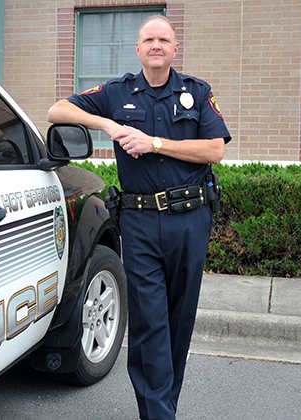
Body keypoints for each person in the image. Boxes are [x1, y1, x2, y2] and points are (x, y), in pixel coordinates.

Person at [47, 15, 231, 420]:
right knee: (150, 325)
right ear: (138, 48)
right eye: (149, 39)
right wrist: (109, 124)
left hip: (190, 219)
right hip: (141, 222)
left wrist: (156, 143)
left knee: (178, 323)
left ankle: (165, 406)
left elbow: (215, 150)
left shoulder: (197, 93)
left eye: (164, 39)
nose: (156, 45)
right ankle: (159, 415)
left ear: (174, 48)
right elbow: (56, 110)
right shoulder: (117, 92)